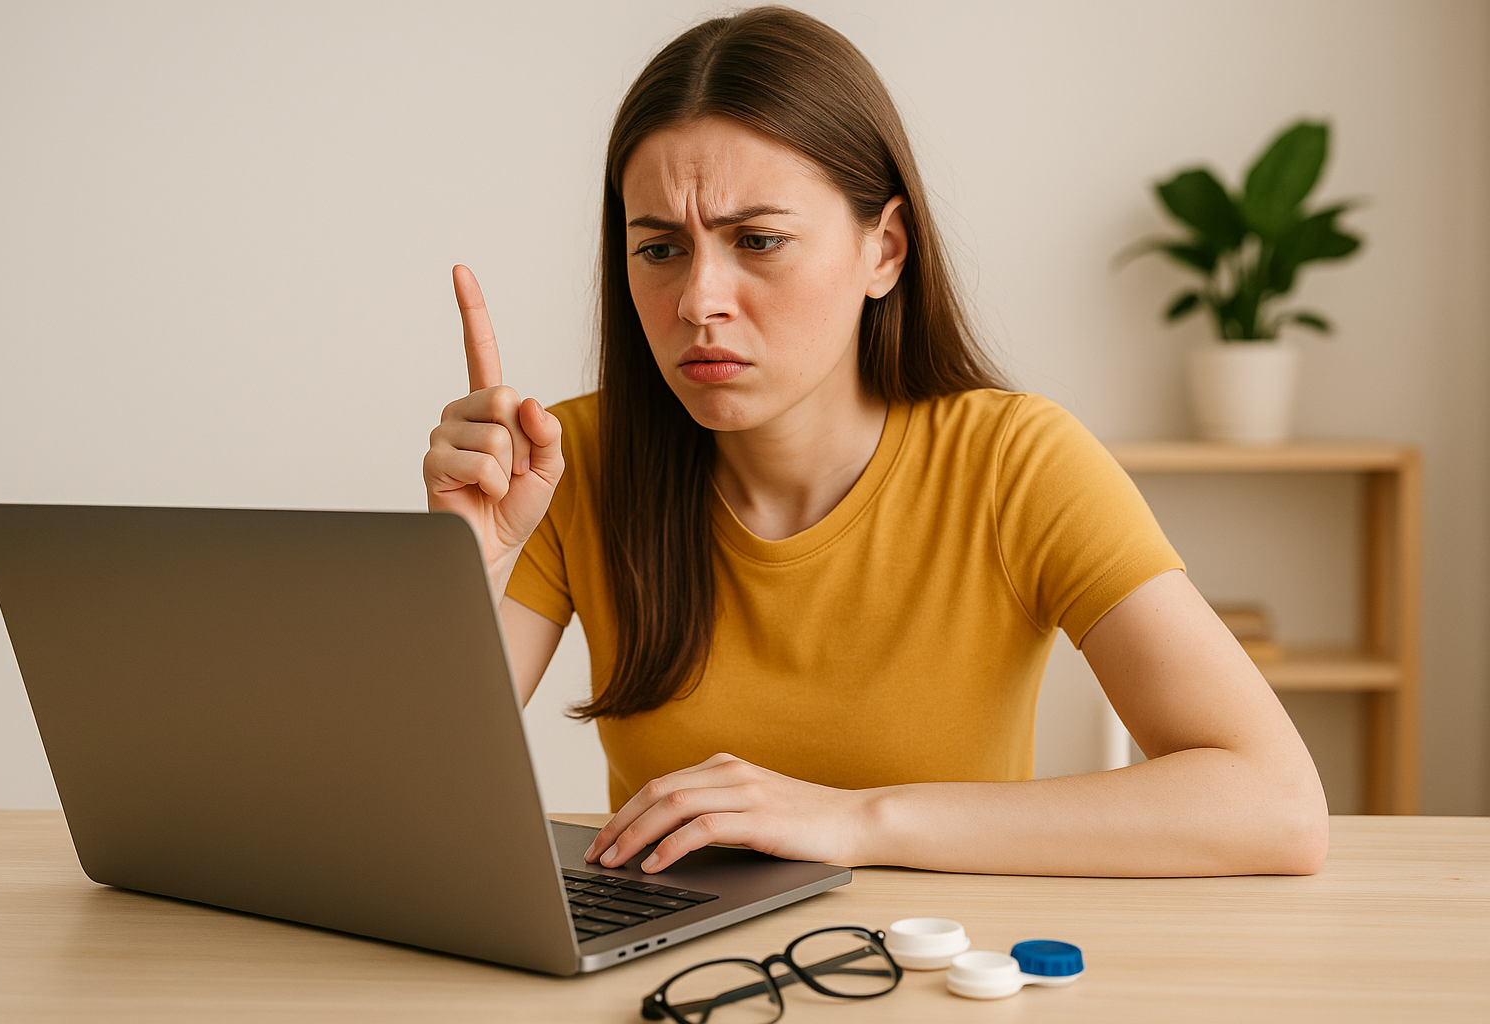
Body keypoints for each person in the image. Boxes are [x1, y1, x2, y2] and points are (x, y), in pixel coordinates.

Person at [423, 6, 1328, 878]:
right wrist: (469, 560)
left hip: (937, 958)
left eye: (758, 240)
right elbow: (405, 808)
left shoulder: (1015, 463)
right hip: (671, 964)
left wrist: (852, 819)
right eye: (660, 249)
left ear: (885, 250)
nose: (699, 301)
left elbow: (1275, 804)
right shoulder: (567, 462)